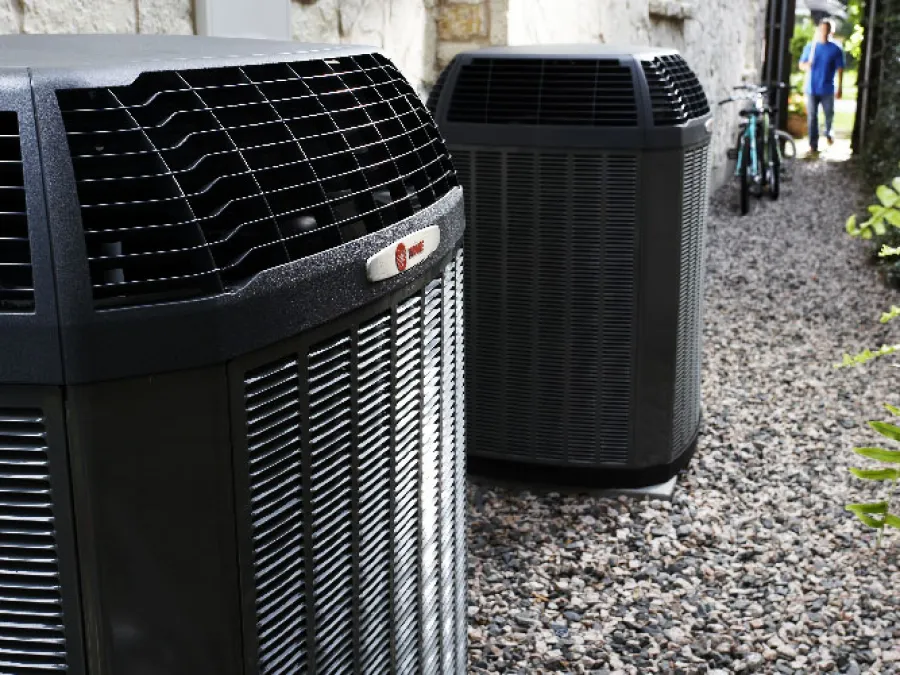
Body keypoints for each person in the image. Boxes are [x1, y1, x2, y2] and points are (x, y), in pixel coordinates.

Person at [799, 19, 845, 158]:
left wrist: (840, 87)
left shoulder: (835, 49)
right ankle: (813, 145)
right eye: (822, 29)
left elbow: (840, 68)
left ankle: (829, 133)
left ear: (831, 31)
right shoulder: (810, 47)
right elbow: (802, 65)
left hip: (827, 89)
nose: (824, 32)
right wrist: (808, 64)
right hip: (812, 89)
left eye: (827, 29)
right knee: (812, 117)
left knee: (828, 114)